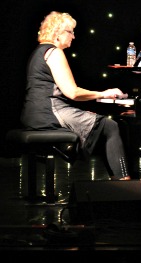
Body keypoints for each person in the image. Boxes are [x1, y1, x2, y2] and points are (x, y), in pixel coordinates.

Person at [20, 11, 133, 180]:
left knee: (102, 126)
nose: (73, 36)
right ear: (57, 33)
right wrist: (104, 94)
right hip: (49, 113)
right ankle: (124, 183)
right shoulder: (54, 52)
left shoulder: (38, 51)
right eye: (70, 31)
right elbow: (72, 92)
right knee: (110, 126)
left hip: (32, 115)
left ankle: (117, 182)